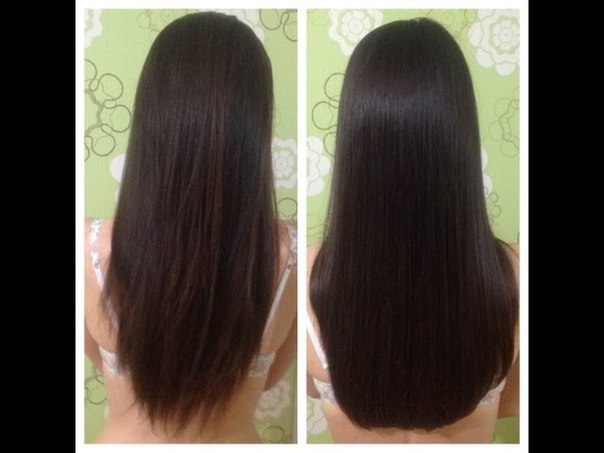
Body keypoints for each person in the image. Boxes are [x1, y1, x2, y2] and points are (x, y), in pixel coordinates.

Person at [84, 12, 297, 443]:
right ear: (253, 123)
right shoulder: (287, 255)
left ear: (151, 114)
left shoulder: (88, 249)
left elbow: (96, 356)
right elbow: (270, 378)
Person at [307, 18, 519, 443]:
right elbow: (512, 404)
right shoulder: (515, 273)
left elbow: (313, 389)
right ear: (460, 134)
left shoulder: (309, 271)